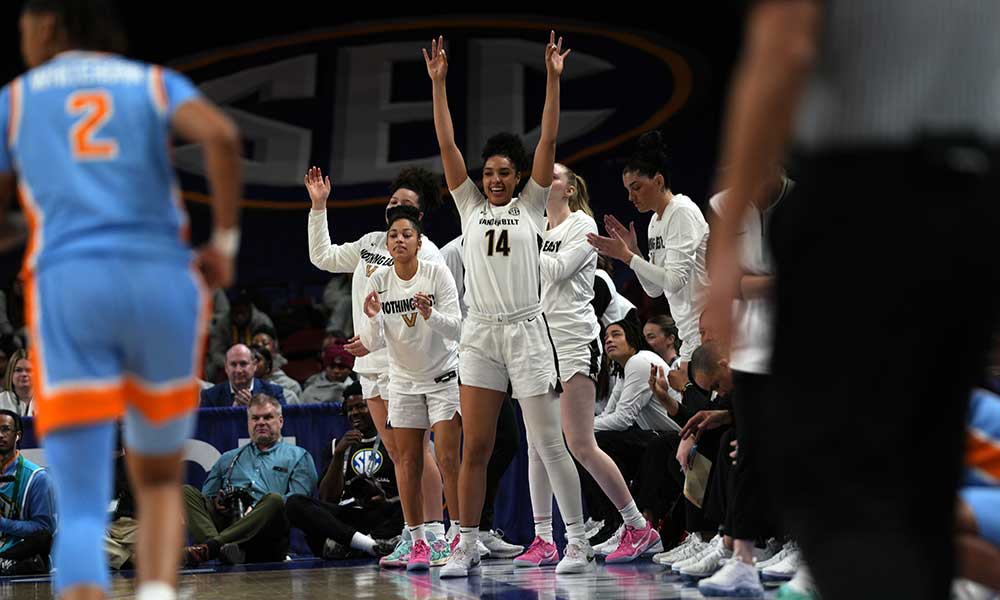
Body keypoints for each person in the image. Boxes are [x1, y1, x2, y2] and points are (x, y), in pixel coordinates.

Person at [704, 2, 1000, 599]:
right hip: (974, 199)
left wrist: (728, 233)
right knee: (921, 490)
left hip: (866, 199)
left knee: (833, 485)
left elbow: (785, 44)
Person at [0, 2, 240, 599]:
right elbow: (221, 136)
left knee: (81, 501)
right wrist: (224, 244)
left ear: (51, 24)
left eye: (25, 24)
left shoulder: (19, 97)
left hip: (71, 283)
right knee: (157, 481)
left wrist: (31, 223)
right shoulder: (150, 80)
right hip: (161, 281)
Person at [425, 31, 592, 577]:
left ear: (518, 176)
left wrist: (553, 79)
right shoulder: (469, 206)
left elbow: (549, 137)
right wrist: (439, 84)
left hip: (526, 331)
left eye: (503, 173)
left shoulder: (534, 203)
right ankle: (466, 542)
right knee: (475, 448)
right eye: (488, 173)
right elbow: (447, 145)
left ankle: (576, 542)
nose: (494, 180)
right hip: (479, 334)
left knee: (548, 443)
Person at [518, 163, 660, 570]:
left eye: (553, 176)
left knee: (580, 443)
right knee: (536, 445)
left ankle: (637, 526)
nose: (542, 181)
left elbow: (557, 270)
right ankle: (544, 538)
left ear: (569, 188)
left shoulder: (581, 224)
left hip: (574, 341)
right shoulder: (537, 227)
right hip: (539, 344)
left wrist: (522, 245)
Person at [306, 164, 448, 542]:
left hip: (404, 366)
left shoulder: (429, 255)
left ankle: (435, 533)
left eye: (405, 205)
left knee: (418, 451)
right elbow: (322, 257)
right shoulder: (370, 243)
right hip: (368, 366)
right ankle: (415, 535)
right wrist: (319, 206)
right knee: (399, 455)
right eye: (392, 201)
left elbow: (421, 318)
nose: (395, 207)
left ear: (419, 217)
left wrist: (377, 340)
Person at [358, 205, 463, 571]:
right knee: (407, 461)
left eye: (406, 235)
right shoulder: (379, 280)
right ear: (387, 243)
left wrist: (430, 314)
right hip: (402, 381)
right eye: (393, 235)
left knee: (448, 459)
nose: (399, 240)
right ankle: (417, 540)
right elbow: (373, 342)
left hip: (442, 377)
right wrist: (372, 318)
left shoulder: (436, 273)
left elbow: (457, 328)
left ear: (419, 242)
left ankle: (459, 538)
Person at [587, 130, 710, 365]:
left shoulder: (682, 211)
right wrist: (634, 254)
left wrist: (628, 257)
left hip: (707, 329)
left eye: (636, 187)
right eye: (628, 190)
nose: (631, 197)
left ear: (659, 181)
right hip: (687, 332)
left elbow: (675, 280)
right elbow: (654, 289)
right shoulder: (655, 222)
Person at [182, 394, 317, 566]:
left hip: (267, 533)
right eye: (255, 418)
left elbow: (297, 503)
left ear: (280, 421)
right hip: (230, 521)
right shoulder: (228, 458)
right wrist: (218, 501)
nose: (261, 422)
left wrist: (256, 508)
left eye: (267, 417)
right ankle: (221, 548)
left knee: (275, 500)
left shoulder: (299, 456)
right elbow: (206, 499)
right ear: (248, 423)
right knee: (185, 492)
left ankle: (212, 547)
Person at [285, 383, 400, 560]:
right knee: (294, 503)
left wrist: (386, 500)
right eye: (349, 409)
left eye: (360, 406)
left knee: (406, 506)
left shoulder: (394, 441)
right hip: (347, 516)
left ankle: (351, 545)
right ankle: (368, 545)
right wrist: (338, 455)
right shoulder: (335, 446)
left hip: (384, 513)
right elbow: (327, 498)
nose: (354, 413)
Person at [0, 410, 55, 576]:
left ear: (17, 435)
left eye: (5, 429)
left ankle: (6, 562)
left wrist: (3, 523)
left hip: (17, 548)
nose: (0, 435)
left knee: (42, 539)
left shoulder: (37, 477)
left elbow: (44, 528)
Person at [200, 344, 286, 408]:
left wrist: (252, 408)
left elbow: (282, 424)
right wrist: (232, 412)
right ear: (226, 368)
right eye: (233, 364)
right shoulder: (210, 396)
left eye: (243, 364)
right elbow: (206, 427)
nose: (238, 370)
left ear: (254, 365)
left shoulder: (274, 393)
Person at [0, 349, 33, 416]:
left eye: (29, 370)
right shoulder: (1, 400)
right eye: (18, 370)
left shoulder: (46, 400)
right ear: (11, 373)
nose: (24, 374)